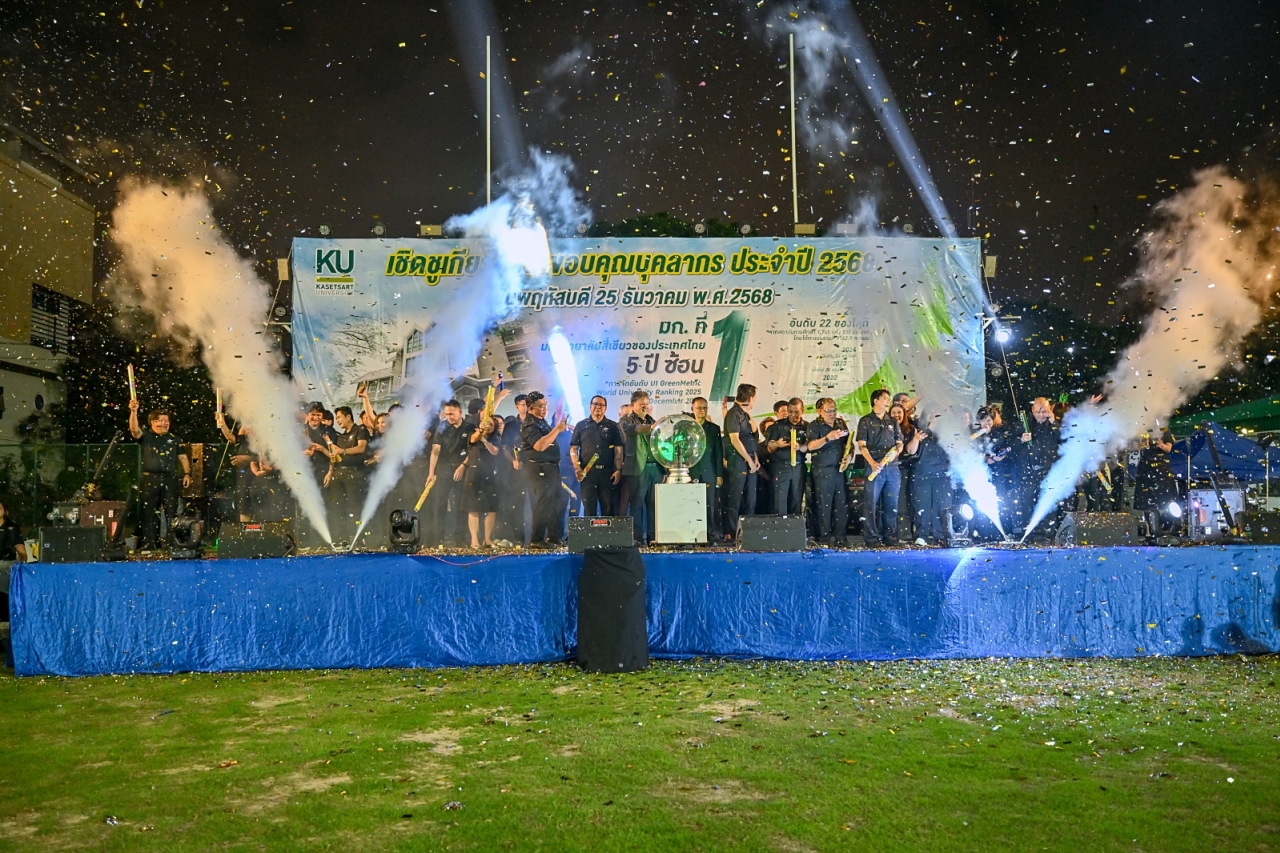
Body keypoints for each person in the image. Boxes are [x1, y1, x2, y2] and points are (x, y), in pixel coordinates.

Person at [128, 400, 193, 550]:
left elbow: (183, 457)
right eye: (161, 421)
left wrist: (187, 473)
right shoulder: (146, 436)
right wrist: (133, 411)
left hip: (170, 478)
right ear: (153, 422)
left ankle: (172, 542)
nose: (165, 424)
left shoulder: (174, 439)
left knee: (172, 511)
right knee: (149, 511)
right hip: (150, 478)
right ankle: (149, 542)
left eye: (167, 421)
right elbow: (134, 430)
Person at [856, 389, 904, 547]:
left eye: (889, 399)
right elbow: (862, 445)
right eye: (884, 398)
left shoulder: (893, 421)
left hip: (892, 468)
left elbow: (899, 443)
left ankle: (890, 537)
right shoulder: (865, 421)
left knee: (891, 504)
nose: (888, 402)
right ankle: (872, 539)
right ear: (875, 401)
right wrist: (872, 463)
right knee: (870, 504)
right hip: (874, 467)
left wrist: (897, 451)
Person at [521, 391, 568, 547]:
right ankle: (537, 539)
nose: (544, 409)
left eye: (545, 405)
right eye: (541, 406)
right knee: (544, 503)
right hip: (540, 467)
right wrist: (557, 430)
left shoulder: (541, 421)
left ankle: (554, 537)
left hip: (551, 467)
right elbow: (539, 446)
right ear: (530, 407)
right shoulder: (529, 424)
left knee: (557, 502)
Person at [425, 400, 471, 548]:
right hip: (443, 469)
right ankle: (437, 539)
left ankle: (460, 539)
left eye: (452, 413)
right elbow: (435, 451)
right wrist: (431, 472)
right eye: (446, 414)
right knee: (439, 504)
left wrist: (463, 465)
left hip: (462, 469)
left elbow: (473, 450)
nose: (449, 417)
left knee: (461, 505)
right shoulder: (442, 427)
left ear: (460, 412)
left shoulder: (469, 427)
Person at [805, 398, 850, 546]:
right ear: (819, 411)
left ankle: (841, 537)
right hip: (822, 470)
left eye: (834, 410)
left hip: (839, 469)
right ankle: (824, 538)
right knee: (823, 505)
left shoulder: (840, 423)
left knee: (841, 504)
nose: (832, 414)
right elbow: (810, 446)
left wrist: (849, 456)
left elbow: (848, 444)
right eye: (828, 411)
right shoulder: (814, 425)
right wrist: (827, 438)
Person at [570, 395, 624, 517]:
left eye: (601, 405)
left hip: (607, 473)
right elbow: (573, 448)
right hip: (587, 473)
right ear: (590, 407)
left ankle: (607, 530)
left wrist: (618, 470)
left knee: (608, 508)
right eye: (595, 404)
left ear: (605, 408)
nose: (598, 407)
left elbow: (619, 450)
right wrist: (577, 467)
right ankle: (590, 531)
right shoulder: (581, 425)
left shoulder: (613, 426)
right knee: (589, 509)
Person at [620, 391, 662, 544]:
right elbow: (634, 429)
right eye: (641, 404)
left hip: (656, 468)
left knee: (653, 504)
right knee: (637, 504)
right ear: (633, 405)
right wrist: (651, 427)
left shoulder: (652, 420)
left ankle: (653, 537)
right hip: (637, 468)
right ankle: (637, 537)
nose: (645, 407)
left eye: (647, 404)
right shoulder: (626, 420)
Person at [905, 412, 951, 545]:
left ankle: (940, 535)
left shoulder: (946, 433)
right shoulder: (918, 432)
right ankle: (921, 535)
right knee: (921, 506)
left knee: (942, 506)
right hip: (921, 475)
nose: (934, 419)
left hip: (942, 475)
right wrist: (916, 439)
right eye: (931, 416)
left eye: (937, 416)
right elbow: (910, 451)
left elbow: (954, 452)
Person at [327, 406, 370, 544]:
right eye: (336, 418)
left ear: (348, 416)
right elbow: (334, 455)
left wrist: (343, 451)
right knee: (338, 506)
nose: (338, 420)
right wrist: (330, 472)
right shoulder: (340, 436)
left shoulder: (360, 430)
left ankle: (358, 538)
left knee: (354, 506)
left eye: (339, 417)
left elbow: (361, 448)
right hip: (338, 474)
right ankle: (342, 538)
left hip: (355, 473)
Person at [722, 383, 760, 541]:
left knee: (751, 499)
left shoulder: (745, 415)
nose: (755, 401)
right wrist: (748, 460)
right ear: (750, 398)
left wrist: (755, 458)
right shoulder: (733, 414)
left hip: (750, 459)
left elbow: (749, 438)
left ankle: (748, 533)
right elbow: (735, 440)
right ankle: (732, 533)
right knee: (736, 498)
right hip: (738, 460)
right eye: (754, 398)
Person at [1020, 397, 1062, 537]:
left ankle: (1049, 532)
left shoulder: (1054, 424)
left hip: (1049, 470)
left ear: (1050, 410)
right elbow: (1012, 444)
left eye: (1044, 411)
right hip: (1029, 471)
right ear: (1032, 410)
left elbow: (1063, 438)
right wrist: (1021, 440)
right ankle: (1028, 533)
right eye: (1038, 411)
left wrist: (1053, 421)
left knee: (1049, 502)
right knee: (1028, 502)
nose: (1041, 414)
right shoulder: (1024, 424)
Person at [463, 414, 503, 548]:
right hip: (474, 474)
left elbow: (495, 451)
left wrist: (485, 441)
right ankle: (474, 540)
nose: (489, 426)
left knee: (492, 508)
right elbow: (473, 439)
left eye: (492, 425)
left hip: (489, 475)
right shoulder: (473, 434)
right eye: (486, 423)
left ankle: (487, 539)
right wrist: (480, 432)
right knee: (473, 507)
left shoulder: (495, 439)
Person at [689, 396, 725, 540]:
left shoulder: (714, 429)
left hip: (709, 472)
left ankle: (710, 536)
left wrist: (719, 474)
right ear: (692, 409)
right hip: (691, 473)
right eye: (699, 408)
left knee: (710, 505)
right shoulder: (687, 427)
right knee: (692, 505)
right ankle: (692, 536)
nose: (702, 410)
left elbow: (718, 453)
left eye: (705, 408)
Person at [765, 397, 807, 517]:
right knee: (779, 502)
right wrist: (777, 444)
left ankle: (794, 527)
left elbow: (811, 446)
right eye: (790, 412)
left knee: (796, 501)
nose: (793, 415)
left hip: (798, 467)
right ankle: (780, 527)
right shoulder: (778, 426)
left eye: (797, 412)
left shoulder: (807, 426)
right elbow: (769, 445)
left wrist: (801, 446)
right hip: (781, 466)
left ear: (802, 411)